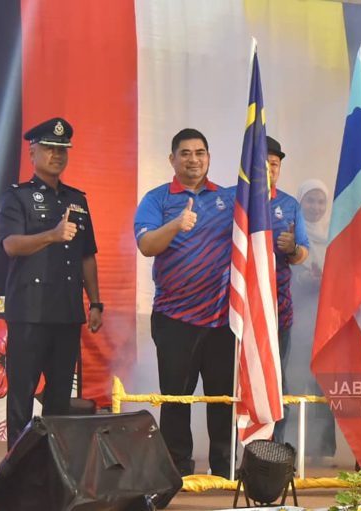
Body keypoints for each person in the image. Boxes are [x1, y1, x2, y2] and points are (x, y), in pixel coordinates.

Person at [133, 128, 236, 477]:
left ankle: (224, 468)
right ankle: (176, 468)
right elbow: (147, 246)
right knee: (176, 399)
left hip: (222, 319)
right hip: (174, 318)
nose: (194, 159)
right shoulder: (157, 199)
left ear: (208, 157)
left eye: (200, 153)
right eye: (186, 153)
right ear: (172, 159)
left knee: (222, 399)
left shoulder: (227, 198)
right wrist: (176, 224)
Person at [0, 117, 103, 448]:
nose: (56, 155)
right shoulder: (17, 197)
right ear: (32, 153)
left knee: (60, 397)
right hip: (29, 311)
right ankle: (16, 467)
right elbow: (11, 245)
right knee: (22, 395)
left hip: (67, 313)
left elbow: (87, 255)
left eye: (62, 150)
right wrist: (51, 236)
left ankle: (55, 464)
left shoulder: (77, 200)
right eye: (49, 148)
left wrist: (96, 302)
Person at [265, 136, 310, 444]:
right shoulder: (230, 201)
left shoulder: (289, 205)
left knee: (276, 379)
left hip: (278, 310)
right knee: (237, 381)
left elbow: (303, 253)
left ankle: (276, 447)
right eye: (262, 164)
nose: (269, 170)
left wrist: (292, 248)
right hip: (236, 311)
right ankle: (232, 453)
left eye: (275, 164)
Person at [290, 178, 337, 462]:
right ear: (300, 201)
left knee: (325, 386)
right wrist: (303, 278)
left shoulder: (335, 235)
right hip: (296, 320)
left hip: (327, 321)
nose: (316, 206)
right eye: (310, 200)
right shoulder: (291, 233)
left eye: (321, 201)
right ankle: (290, 444)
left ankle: (322, 450)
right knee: (295, 382)